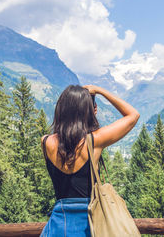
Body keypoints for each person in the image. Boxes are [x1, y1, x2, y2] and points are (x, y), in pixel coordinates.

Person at [40, 84, 140, 237]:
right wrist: (100, 90)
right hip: (90, 222)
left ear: (61, 110)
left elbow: (65, 141)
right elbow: (133, 115)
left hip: (59, 224)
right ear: (89, 111)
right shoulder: (94, 141)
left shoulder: (45, 142)